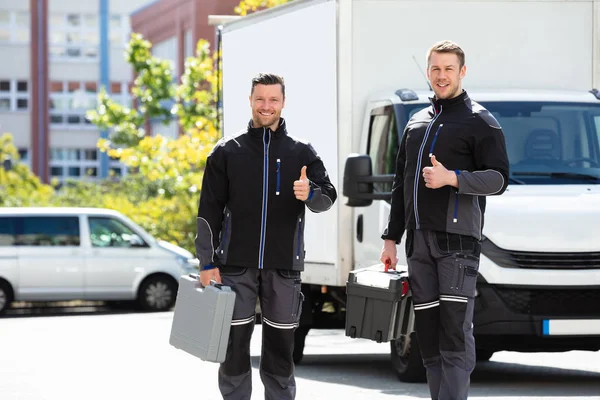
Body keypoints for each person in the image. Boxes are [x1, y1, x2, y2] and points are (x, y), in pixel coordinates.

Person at [380, 40, 509, 400]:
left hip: (458, 246)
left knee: (454, 334)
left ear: (462, 72)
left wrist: (453, 178)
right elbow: (401, 184)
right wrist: (391, 238)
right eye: (435, 69)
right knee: (429, 335)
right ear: (428, 71)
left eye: (448, 69)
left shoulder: (480, 121)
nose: (441, 76)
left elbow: (499, 179)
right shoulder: (416, 123)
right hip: (418, 244)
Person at [195, 72, 337, 400]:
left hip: (284, 266)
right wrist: (206, 262)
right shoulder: (226, 151)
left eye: (273, 99)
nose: (266, 106)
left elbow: (327, 196)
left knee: (279, 353)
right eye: (260, 99)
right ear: (250, 100)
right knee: (233, 351)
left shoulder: (301, 152)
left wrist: (310, 193)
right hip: (234, 268)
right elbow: (208, 212)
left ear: (283, 102)